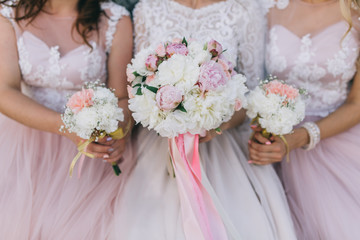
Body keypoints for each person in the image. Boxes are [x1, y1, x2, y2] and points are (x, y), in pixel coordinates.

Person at [109, 0, 297, 239]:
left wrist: (217, 124)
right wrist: (162, 117)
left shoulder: (244, 9)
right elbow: (138, 86)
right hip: (157, 146)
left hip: (220, 145)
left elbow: (250, 94)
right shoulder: (148, 8)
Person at [0, 0, 134, 239]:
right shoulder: (9, 15)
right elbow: (4, 92)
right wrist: (68, 128)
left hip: (90, 157)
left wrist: (120, 132)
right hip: (22, 151)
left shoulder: (115, 20)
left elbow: (122, 97)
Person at [248, 0, 360, 239]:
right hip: (270, 142)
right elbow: (250, 78)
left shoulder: (356, 13)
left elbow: (357, 104)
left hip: (336, 139)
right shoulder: (267, 7)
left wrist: (301, 136)